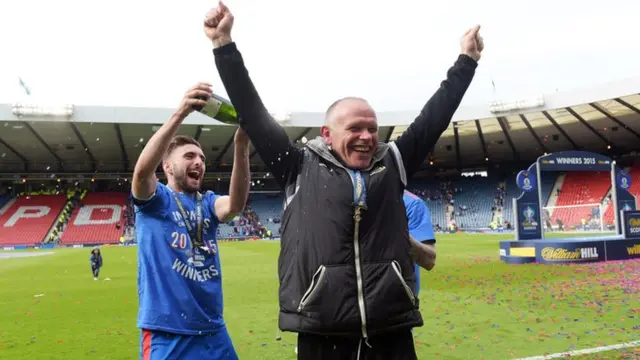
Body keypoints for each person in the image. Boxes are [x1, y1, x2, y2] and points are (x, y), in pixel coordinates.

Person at [204, 2, 483, 358]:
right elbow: (253, 112)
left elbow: (435, 117)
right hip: (322, 334)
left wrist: (466, 61)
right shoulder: (297, 167)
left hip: (391, 330)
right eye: (355, 128)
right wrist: (224, 44)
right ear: (327, 133)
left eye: (372, 127)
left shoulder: (393, 162)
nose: (367, 136)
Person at [131, 82, 251, 360]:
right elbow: (140, 174)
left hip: (212, 330)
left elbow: (234, 205)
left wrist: (241, 143)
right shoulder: (156, 200)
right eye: (189, 156)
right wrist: (180, 113)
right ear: (168, 167)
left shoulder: (207, 202)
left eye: (201, 158)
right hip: (167, 331)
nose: (198, 162)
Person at [403, 190, 437, 296]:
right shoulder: (352, 201)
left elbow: (429, 261)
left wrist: (398, 229)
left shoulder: (413, 204)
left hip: (400, 302)